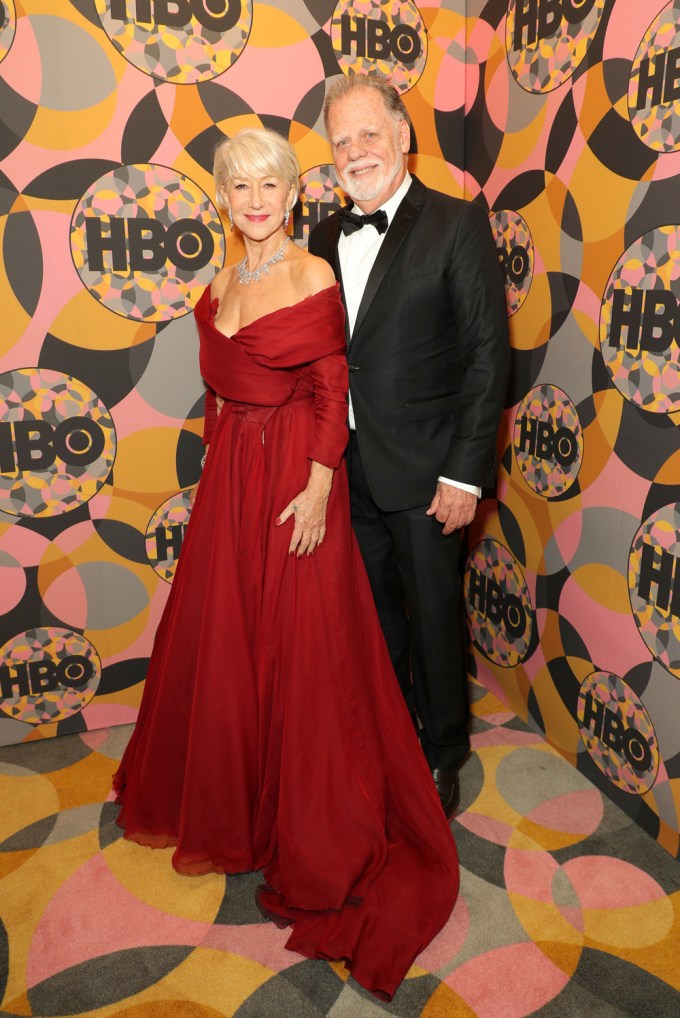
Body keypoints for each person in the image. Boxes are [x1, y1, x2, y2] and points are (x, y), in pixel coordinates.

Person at [113, 128, 459, 1002]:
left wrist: (315, 489)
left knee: (299, 649)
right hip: (233, 472)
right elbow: (224, 391)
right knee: (228, 643)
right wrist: (218, 471)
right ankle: (236, 804)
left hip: (296, 478)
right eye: (241, 187)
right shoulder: (222, 283)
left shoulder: (311, 276)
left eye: (270, 184)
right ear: (224, 202)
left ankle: (305, 819)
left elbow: (329, 388)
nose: (256, 199)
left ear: (289, 195)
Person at [309, 74, 510, 818]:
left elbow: (489, 356)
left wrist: (465, 474)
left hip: (430, 472)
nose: (356, 151)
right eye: (342, 141)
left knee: (431, 614)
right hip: (347, 467)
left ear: (403, 137)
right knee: (374, 616)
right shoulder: (325, 234)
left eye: (369, 134)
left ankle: (445, 752)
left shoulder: (456, 223)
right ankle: (393, 737)